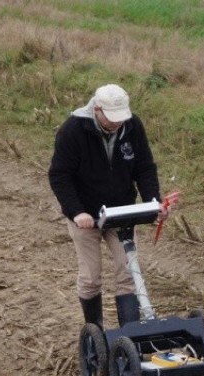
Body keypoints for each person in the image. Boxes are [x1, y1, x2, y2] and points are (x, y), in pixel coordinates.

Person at [48, 83, 164, 328]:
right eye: (112, 119)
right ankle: (96, 334)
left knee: (128, 272)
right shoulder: (73, 130)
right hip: (85, 214)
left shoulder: (132, 126)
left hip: (121, 212)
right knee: (91, 277)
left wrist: (153, 200)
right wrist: (76, 211)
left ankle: (130, 336)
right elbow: (60, 175)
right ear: (97, 109)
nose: (117, 124)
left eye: (121, 118)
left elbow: (144, 167)